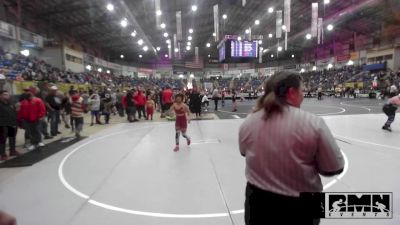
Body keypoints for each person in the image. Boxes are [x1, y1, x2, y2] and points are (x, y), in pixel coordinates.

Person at [239, 71, 344, 225]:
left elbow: (243, 152)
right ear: (292, 92)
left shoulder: (249, 122)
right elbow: (333, 168)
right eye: (302, 90)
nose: (303, 94)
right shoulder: (313, 123)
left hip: (257, 204)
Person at [0, 90, 20, 161]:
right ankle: (2, 154)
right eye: (5, 94)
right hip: (2, 125)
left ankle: (12, 151)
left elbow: (14, 113)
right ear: (1, 96)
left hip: (12, 124)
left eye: (8, 94)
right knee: (2, 140)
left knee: (12, 138)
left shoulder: (10, 103)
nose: (7, 96)